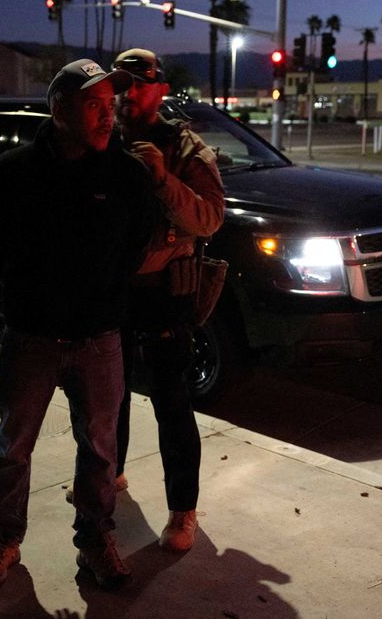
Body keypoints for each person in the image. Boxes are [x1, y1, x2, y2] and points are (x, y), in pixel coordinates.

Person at [0, 59, 154, 594]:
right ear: (59, 110)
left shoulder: (126, 174)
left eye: (109, 104)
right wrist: (40, 293)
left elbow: (138, 243)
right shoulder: (14, 171)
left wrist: (102, 295)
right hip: (31, 336)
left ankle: (95, 539)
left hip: (100, 337)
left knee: (100, 450)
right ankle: (5, 536)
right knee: (13, 445)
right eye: (93, 105)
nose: (107, 116)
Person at [111, 48, 225, 552]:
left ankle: (183, 510)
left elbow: (210, 219)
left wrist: (163, 179)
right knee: (105, 395)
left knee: (171, 401)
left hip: (165, 292)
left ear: (160, 89)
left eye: (140, 84)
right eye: (121, 85)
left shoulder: (185, 149)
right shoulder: (101, 138)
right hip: (111, 289)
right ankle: (108, 475)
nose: (129, 94)